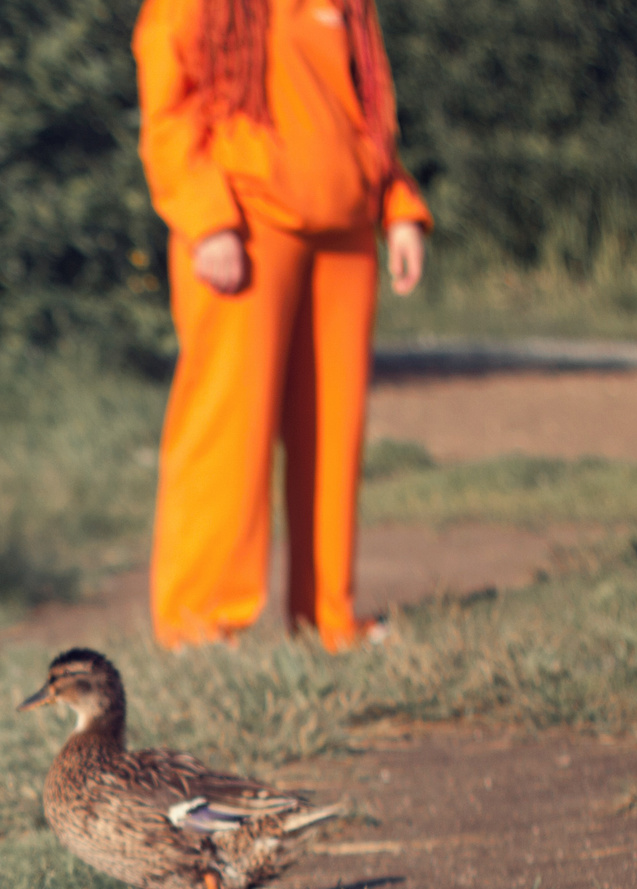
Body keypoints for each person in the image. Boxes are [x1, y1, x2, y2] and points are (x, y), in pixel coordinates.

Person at [134, 0, 430, 650]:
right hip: (244, 224)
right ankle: (199, 627)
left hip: (346, 226)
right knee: (227, 429)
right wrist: (206, 218)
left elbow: (364, 109)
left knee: (333, 432)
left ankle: (328, 619)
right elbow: (168, 111)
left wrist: (398, 203)